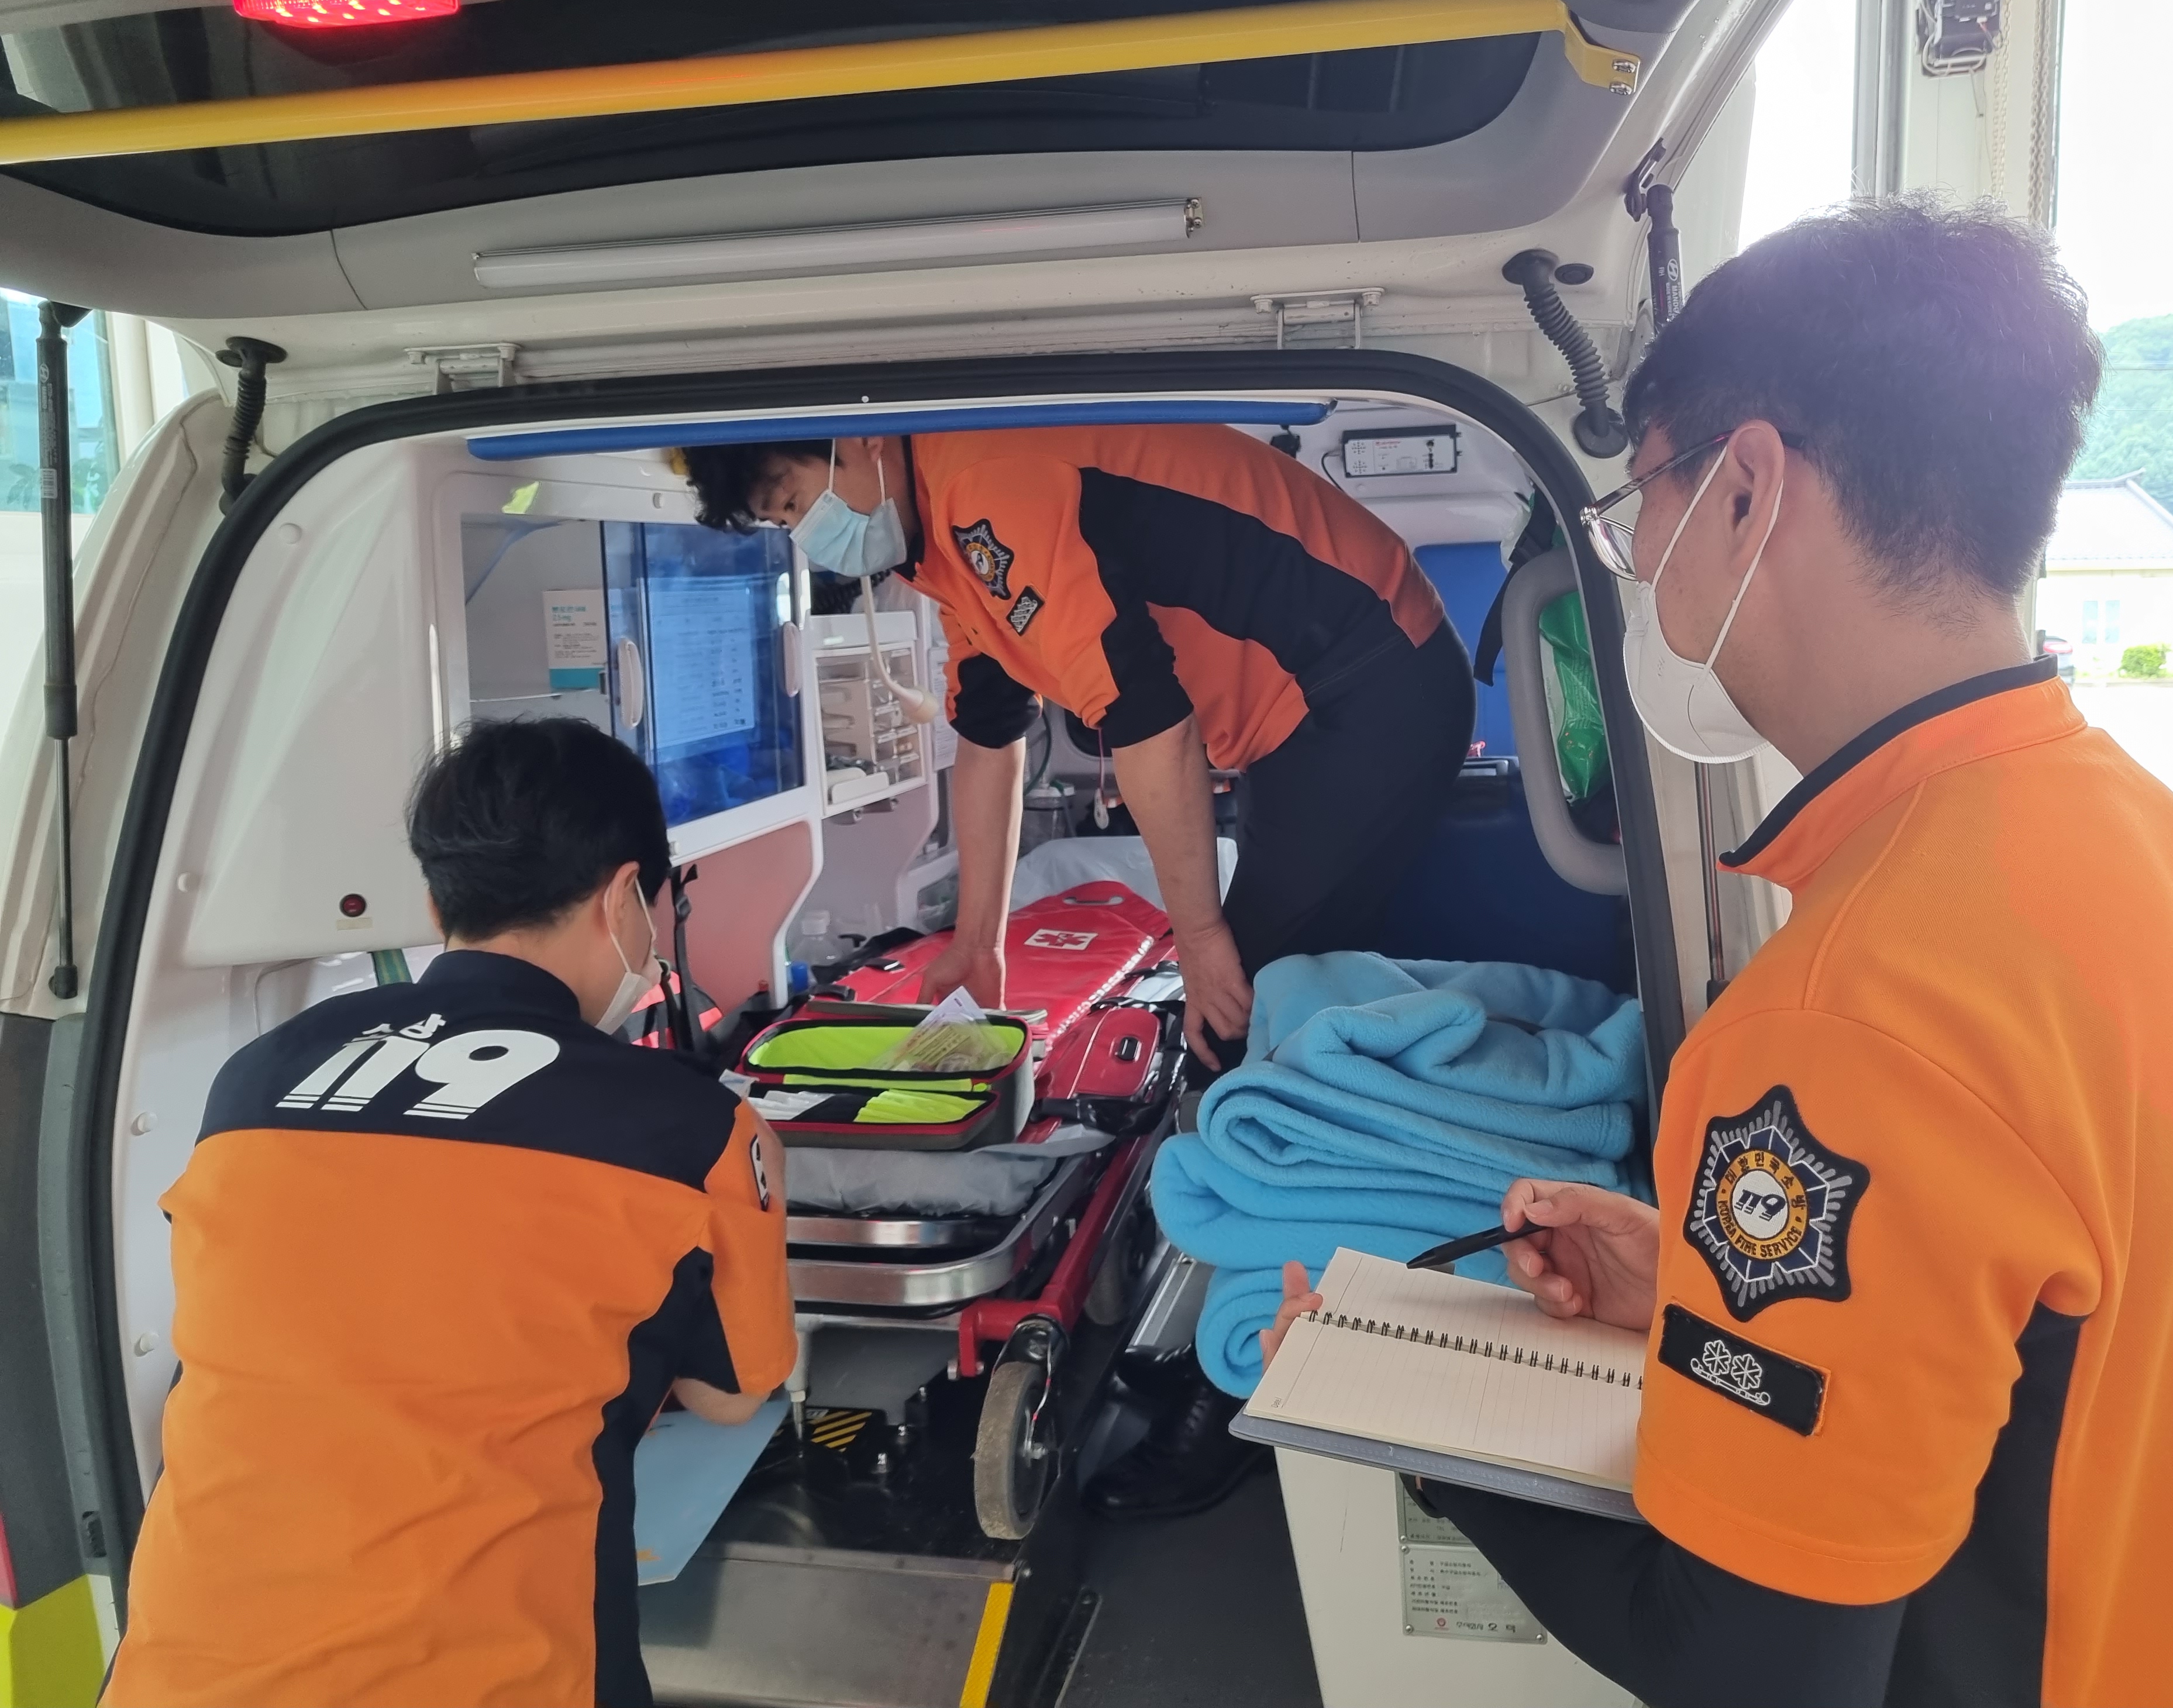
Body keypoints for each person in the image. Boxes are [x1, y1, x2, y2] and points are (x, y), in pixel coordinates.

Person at [1261, 197, 2173, 1707]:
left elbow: (1747, 1670)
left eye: (1641, 500)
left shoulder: (1843, 1025)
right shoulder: (2159, 850)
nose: (1636, 557)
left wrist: (1421, 1442)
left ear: (1746, 491)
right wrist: (1702, 1296)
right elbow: (2027, 1350)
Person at [683, 422, 1473, 1518]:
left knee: (1238, 1030)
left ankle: (1245, 1382)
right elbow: (990, 735)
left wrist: (1201, 939)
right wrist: (979, 939)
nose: (808, 533)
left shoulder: (986, 490)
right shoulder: (938, 544)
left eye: (792, 499)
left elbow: (1150, 722)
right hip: (1303, 713)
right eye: (782, 523)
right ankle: (1270, 1316)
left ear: (854, 441)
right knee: (1263, 1014)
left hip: (1369, 681)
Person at [107, 718, 795, 1708]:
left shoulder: (256, 1078)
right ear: (623, 900)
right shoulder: (692, 1130)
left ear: (437, 904)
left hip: (181, 1676)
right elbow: (732, 1395)